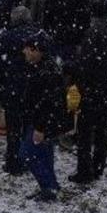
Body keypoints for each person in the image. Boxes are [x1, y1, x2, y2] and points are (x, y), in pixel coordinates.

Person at [69, 0, 107, 184]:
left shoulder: (92, 33)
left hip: (92, 90)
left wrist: (78, 86)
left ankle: (84, 171)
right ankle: (98, 165)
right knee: (103, 128)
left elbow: (84, 65)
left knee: (85, 132)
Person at [19, 30, 66, 202]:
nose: (24, 52)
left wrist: (40, 127)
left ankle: (49, 187)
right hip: (43, 121)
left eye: (28, 49)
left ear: (36, 50)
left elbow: (48, 103)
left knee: (27, 154)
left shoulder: (46, 72)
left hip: (41, 122)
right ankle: (49, 187)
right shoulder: (42, 67)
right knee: (45, 155)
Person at [0, 6, 37, 175]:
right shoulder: (39, 35)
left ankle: (13, 163)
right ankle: (30, 159)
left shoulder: (7, 38)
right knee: (30, 127)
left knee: (13, 130)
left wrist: (0, 88)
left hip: (13, 90)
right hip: (34, 91)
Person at [40, 0, 92, 69]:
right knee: (69, 70)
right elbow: (85, 23)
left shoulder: (51, 1)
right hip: (71, 41)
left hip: (57, 38)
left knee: (53, 68)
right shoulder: (81, 1)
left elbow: (46, 22)